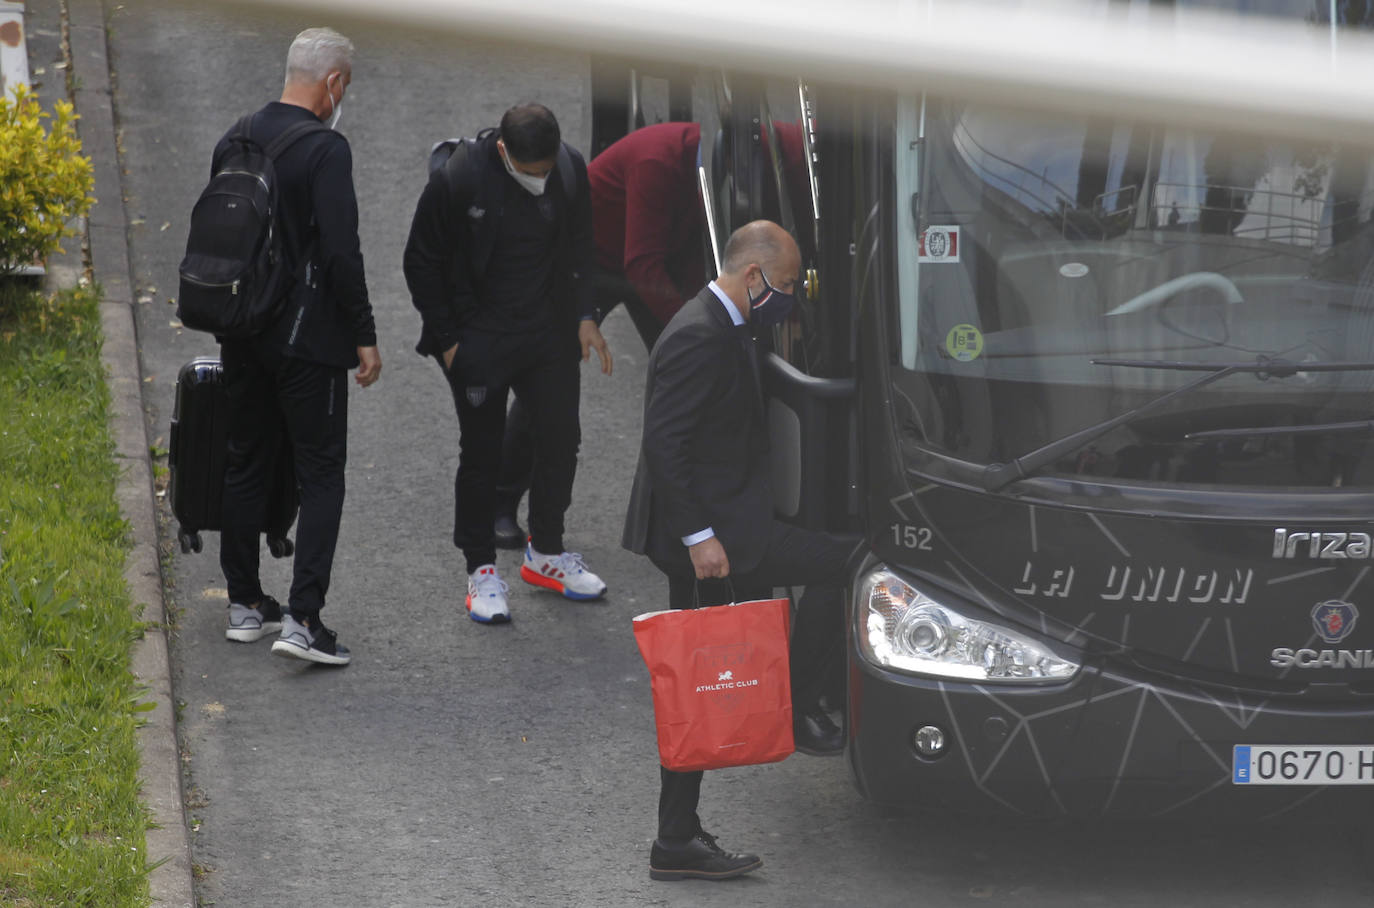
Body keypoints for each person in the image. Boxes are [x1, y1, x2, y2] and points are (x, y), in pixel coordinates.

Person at [623, 220, 854, 881]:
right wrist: (700, 540)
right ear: (752, 277)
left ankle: (678, 835)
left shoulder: (725, 324)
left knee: (696, 682)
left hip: (728, 527)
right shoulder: (699, 335)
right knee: (695, 684)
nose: (789, 297)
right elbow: (665, 444)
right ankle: (803, 704)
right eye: (785, 285)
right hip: (715, 538)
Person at [403, 103, 612, 624]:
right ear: (503, 151)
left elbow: (583, 248)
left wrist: (585, 316)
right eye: (530, 172)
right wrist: (450, 342)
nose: (540, 180)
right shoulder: (459, 179)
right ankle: (481, 571)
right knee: (482, 454)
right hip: (480, 337)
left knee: (561, 438)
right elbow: (420, 261)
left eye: (546, 170)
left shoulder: (567, 168)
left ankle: (547, 552)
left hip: (548, 333)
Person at [217, 27, 381, 666]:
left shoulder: (237, 135)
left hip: (241, 329)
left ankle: (244, 603)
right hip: (307, 341)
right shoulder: (326, 149)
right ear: (334, 83)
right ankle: (304, 619)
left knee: (245, 458)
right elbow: (342, 251)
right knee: (321, 474)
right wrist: (364, 333)